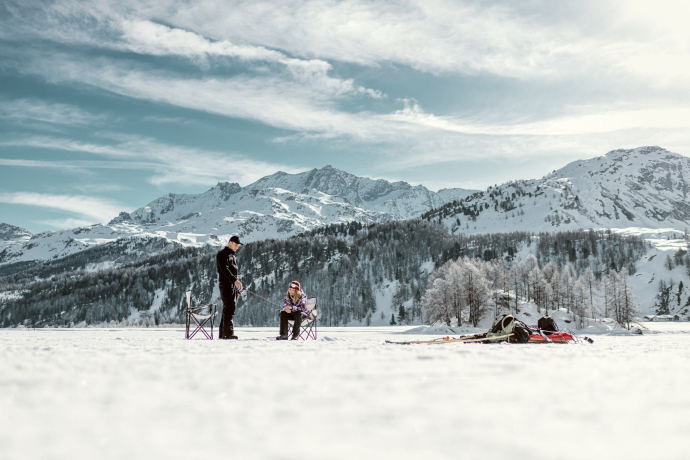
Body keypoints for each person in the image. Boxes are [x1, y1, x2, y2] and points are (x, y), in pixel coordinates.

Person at [217, 236, 243, 339]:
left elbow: (233, 272)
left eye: (238, 245)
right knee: (229, 308)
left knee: (228, 308)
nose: (237, 247)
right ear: (230, 243)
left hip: (232, 286)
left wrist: (236, 288)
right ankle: (228, 333)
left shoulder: (232, 255)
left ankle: (223, 334)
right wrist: (235, 281)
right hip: (226, 285)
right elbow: (224, 270)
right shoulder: (222, 254)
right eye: (236, 245)